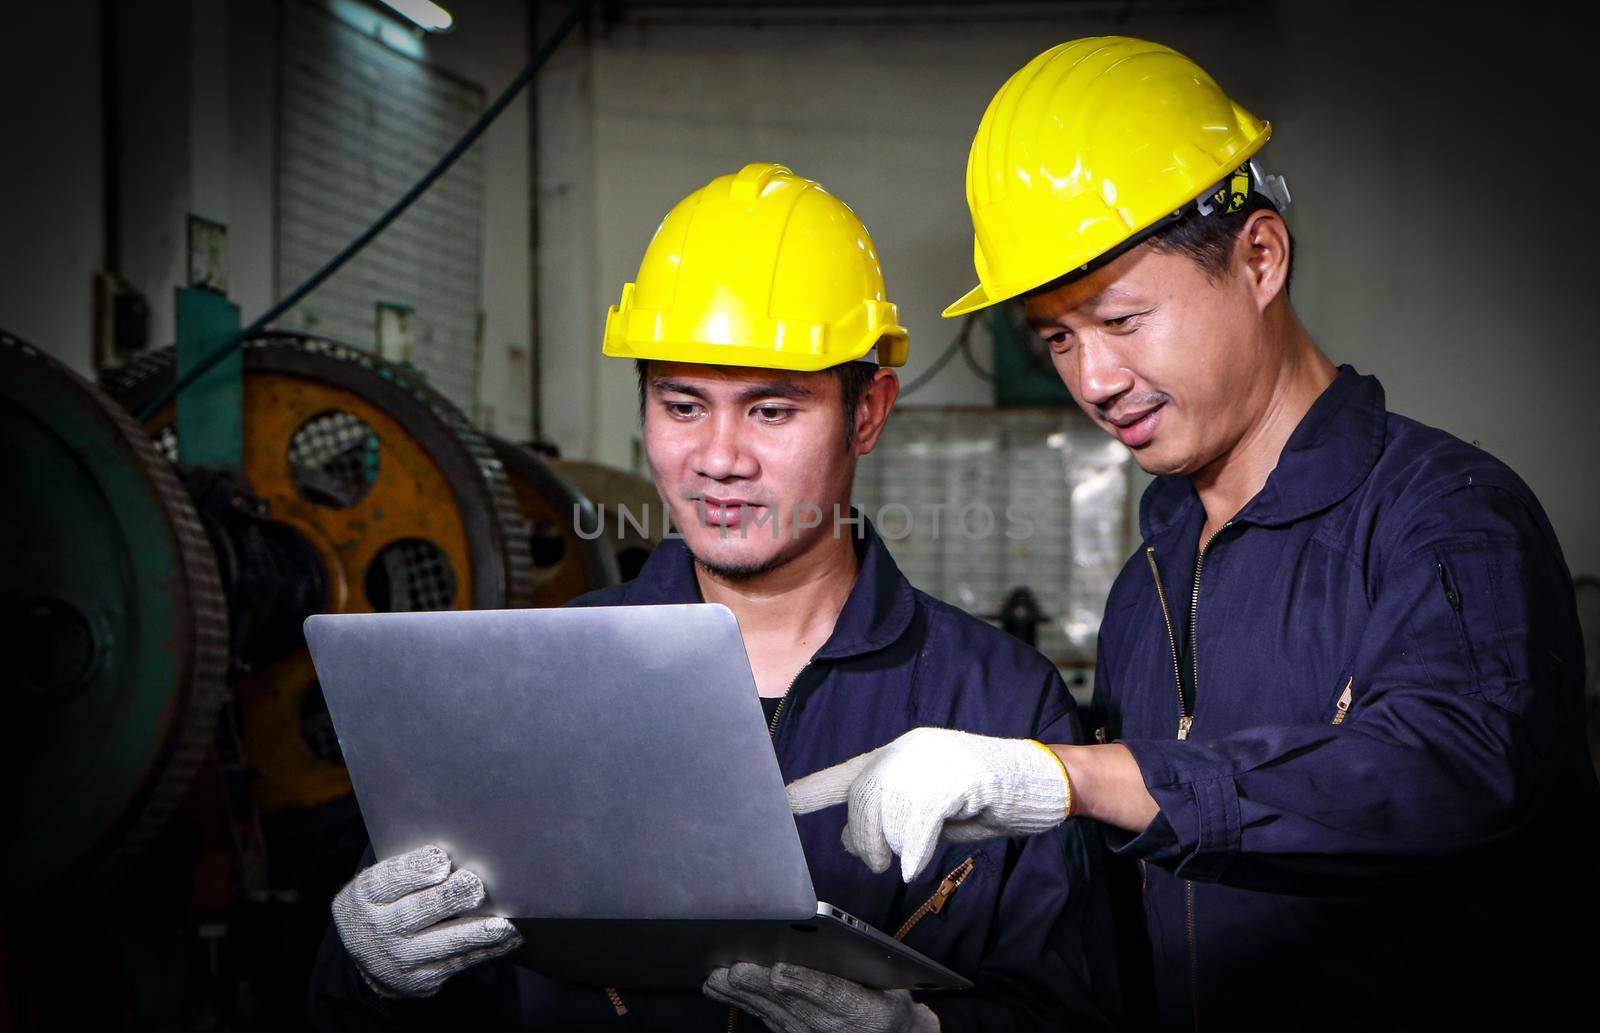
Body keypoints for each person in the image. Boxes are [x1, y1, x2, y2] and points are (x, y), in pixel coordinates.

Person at [787, 37, 1600, 1031]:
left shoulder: (1442, 514)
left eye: (1121, 319)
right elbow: (1133, 937)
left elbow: (1446, 770)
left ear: (1259, 257)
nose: (1091, 380)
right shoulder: (1151, 583)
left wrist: (1074, 776)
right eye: (1057, 337)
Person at [306, 163, 1118, 1032]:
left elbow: (1075, 1009)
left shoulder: (997, 702)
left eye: (771, 410)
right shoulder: (520, 683)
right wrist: (369, 975)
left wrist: (918, 1032)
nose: (719, 456)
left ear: (869, 411)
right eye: (683, 404)